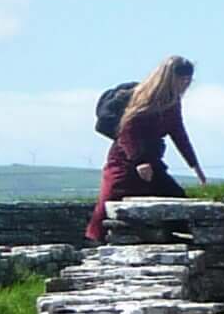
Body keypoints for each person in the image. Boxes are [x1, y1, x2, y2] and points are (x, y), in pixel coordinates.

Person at [86, 54, 209, 241]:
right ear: (170, 77)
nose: (186, 84)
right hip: (125, 159)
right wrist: (140, 161)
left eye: (188, 81)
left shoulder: (173, 101)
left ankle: (173, 239)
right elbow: (127, 129)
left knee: (174, 197)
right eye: (182, 79)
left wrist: (194, 165)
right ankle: (96, 242)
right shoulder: (144, 96)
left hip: (152, 158)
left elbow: (178, 132)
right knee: (109, 200)